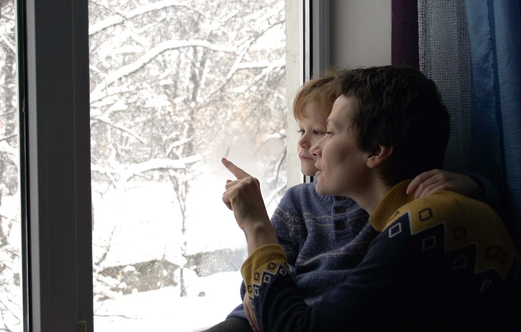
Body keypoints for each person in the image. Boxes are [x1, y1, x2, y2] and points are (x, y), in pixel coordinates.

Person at [220, 65, 521, 331]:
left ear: (376, 151)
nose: (315, 148)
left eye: (330, 132)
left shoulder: (423, 227)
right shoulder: (427, 216)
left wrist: (256, 225)